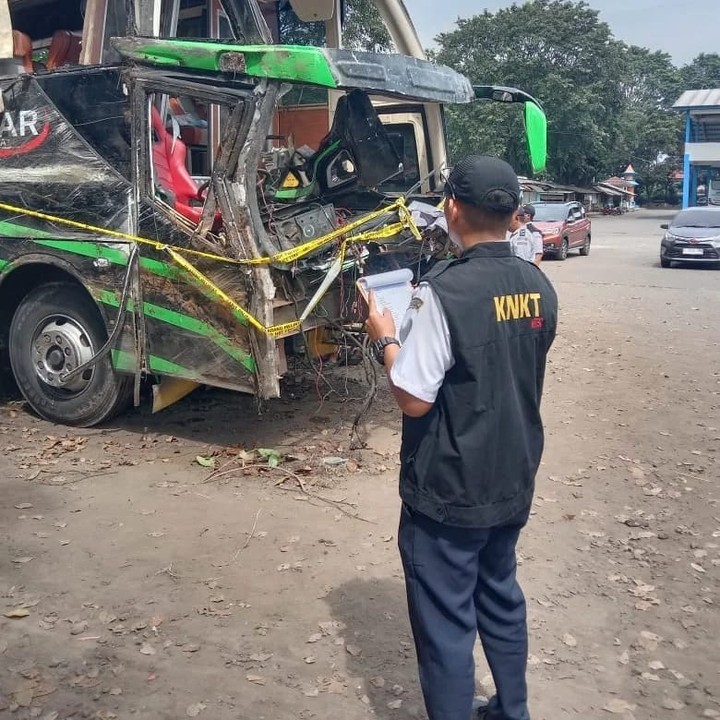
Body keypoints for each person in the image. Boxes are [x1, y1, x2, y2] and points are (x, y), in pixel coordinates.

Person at [365, 155, 558, 720]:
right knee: (500, 597)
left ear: (451, 208)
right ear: (512, 215)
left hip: (449, 487)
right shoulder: (538, 284)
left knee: (446, 623)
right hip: (512, 475)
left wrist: (384, 336)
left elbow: (413, 396)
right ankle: (512, 710)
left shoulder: (442, 294)